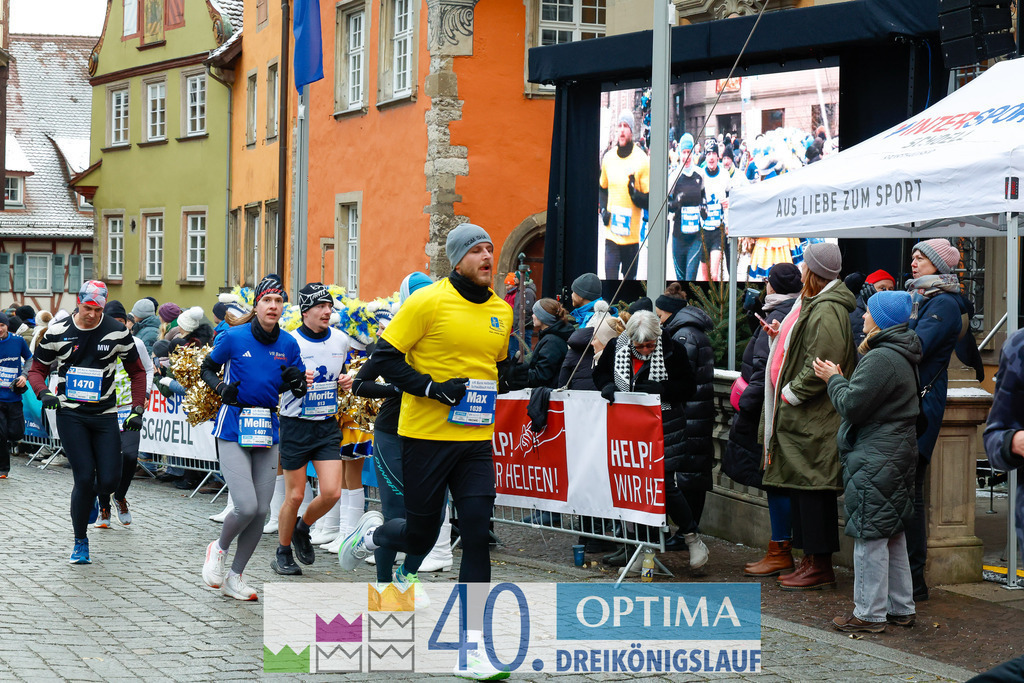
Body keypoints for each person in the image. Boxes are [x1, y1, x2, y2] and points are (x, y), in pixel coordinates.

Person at [337, 223, 512, 680]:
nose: (487, 256)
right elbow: (381, 361)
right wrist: (433, 389)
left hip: (475, 441)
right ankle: (373, 534)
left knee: (474, 532)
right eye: (476, 250)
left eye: (491, 248)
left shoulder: (501, 310)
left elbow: (497, 368)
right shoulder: (427, 301)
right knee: (421, 534)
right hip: (424, 438)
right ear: (456, 260)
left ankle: (473, 647)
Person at [815, 290, 920, 632]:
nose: (862, 316)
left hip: (878, 453)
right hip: (895, 450)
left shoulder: (881, 358)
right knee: (891, 532)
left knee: (870, 535)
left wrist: (833, 378)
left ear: (883, 320)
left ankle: (868, 614)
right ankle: (901, 608)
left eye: (868, 313)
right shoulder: (899, 352)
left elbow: (851, 405)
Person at [199, 275, 306, 600]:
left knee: (261, 511)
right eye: (267, 301)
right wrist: (221, 388)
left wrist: (294, 382)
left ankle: (235, 577)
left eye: (278, 302)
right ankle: (218, 549)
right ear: (257, 305)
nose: (273, 307)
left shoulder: (288, 344)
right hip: (233, 427)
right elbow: (206, 368)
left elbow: (296, 383)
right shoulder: (233, 337)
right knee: (245, 506)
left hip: (267, 428)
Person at [27, 281, 148, 564]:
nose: (92, 314)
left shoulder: (117, 331)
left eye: (98, 309)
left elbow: (137, 371)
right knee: (83, 478)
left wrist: (138, 407)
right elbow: (37, 369)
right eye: (87, 308)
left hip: (105, 414)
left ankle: (96, 496)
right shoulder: (57, 331)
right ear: (77, 304)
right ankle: (80, 541)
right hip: (71, 413)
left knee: (108, 480)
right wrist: (43, 392)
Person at [762, 242, 856, 590]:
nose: (802, 271)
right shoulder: (818, 303)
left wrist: (792, 392)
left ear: (813, 272)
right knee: (805, 488)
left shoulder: (826, 308)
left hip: (813, 415)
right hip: (806, 416)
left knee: (814, 490)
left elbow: (823, 358)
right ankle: (810, 562)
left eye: (805, 266)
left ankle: (818, 565)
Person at [351, 272, 453, 583]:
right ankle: (384, 584)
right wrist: (400, 389)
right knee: (398, 512)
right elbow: (360, 384)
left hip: (434, 434)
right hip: (393, 433)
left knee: (433, 518)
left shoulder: (445, 338)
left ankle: (405, 576)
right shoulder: (397, 337)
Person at [593, 309, 697, 566]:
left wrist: (664, 390)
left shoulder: (674, 351)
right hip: (627, 427)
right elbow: (600, 373)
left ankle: (692, 537)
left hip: (665, 426)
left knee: (664, 485)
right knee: (633, 486)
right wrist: (607, 386)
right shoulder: (616, 347)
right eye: (641, 346)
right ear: (630, 339)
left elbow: (689, 387)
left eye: (651, 345)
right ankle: (641, 546)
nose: (647, 350)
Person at [722, 263, 802, 576]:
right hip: (772, 409)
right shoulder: (789, 309)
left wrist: (745, 409)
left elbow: (762, 371)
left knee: (774, 480)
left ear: (772, 285)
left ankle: (781, 549)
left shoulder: (777, 315)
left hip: (766, 413)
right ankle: (780, 549)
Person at [270, 283, 355, 576]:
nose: (327, 311)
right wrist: (293, 378)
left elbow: (344, 371)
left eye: (329, 307)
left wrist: (347, 379)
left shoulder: (341, 340)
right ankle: (282, 553)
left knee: (331, 492)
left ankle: (302, 529)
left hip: (326, 425)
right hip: (295, 425)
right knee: (294, 496)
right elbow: (274, 384)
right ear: (305, 311)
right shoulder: (288, 342)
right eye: (320, 306)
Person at [904, 238, 965, 602]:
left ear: (939, 265)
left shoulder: (941, 302)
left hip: (921, 408)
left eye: (921, 256)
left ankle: (914, 581)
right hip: (914, 403)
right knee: (909, 492)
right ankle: (910, 579)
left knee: (911, 494)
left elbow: (916, 346)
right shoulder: (921, 298)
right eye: (912, 255)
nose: (913, 262)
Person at [654, 284, 714, 566]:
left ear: (666, 312)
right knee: (691, 472)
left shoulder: (682, 335)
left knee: (689, 475)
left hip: (688, 414)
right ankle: (687, 529)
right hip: (694, 413)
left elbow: (677, 378)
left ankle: (688, 529)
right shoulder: (688, 330)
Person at [95, 301, 154, 528]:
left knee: (129, 456)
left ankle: (119, 496)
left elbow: (147, 369)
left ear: (128, 323)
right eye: (113, 322)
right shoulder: (97, 341)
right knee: (104, 462)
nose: (118, 326)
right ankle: (104, 507)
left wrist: (145, 393)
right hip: (104, 409)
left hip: (129, 409)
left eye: (122, 322)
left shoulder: (136, 343)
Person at [599, 111, 650, 280]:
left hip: (632, 238)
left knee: (628, 286)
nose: (621, 130)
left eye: (626, 126)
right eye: (619, 126)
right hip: (611, 235)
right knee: (610, 282)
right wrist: (604, 210)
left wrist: (634, 194)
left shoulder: (642, 160)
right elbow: (602, 188)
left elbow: (650, 200)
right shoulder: (608, 158)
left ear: (632, 132)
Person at [505, 299, 574, 390]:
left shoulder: (552, 342)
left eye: (535, 313)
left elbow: (542, 375)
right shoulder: (550, 337)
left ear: (542, 317)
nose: (532, 316)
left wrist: (521, 373)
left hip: (548, 395)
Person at [668, 133, 709, 281]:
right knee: (680, 281)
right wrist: (676, 203)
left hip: (695, 236)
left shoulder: (700, 174)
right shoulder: (674, 176)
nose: (687, 156)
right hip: (678, 236)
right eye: (684, 152)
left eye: (689, 152)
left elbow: (704, 196)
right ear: (680, 153)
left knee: (690, 279)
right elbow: (666, 206)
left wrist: (704, 208)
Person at [0, 311, 32, 478]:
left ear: (7, 326)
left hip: (14, 396)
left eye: (2, 325)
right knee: (1, 434)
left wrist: (24, 375)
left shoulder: (18, 341)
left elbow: (29, 359)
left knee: (16, 433)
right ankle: (3, 468)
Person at [700, 143, 731, 281]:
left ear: (718, 156)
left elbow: (732, 195)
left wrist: (729, 201)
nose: (711, 157)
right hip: (703, 230)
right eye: (708, 154)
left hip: (718, 230)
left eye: (713, 154)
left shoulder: (724, 175)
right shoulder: (700, 174)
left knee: (714, 274)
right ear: (705, 157)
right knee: (705, 277)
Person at [850, 269, 896, 348]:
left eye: (890, 289)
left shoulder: (894, 315)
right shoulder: (853, 312)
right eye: (882, 288)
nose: (886, 292)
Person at [503, 272, 536, 362]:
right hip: (518, 326)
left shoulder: (527, 292)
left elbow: (527, 311)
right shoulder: (520, 290)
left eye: (516, 278)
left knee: (524, 350)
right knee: (517, 350)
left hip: (523, 327)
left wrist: (520, 324)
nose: (514, 279)